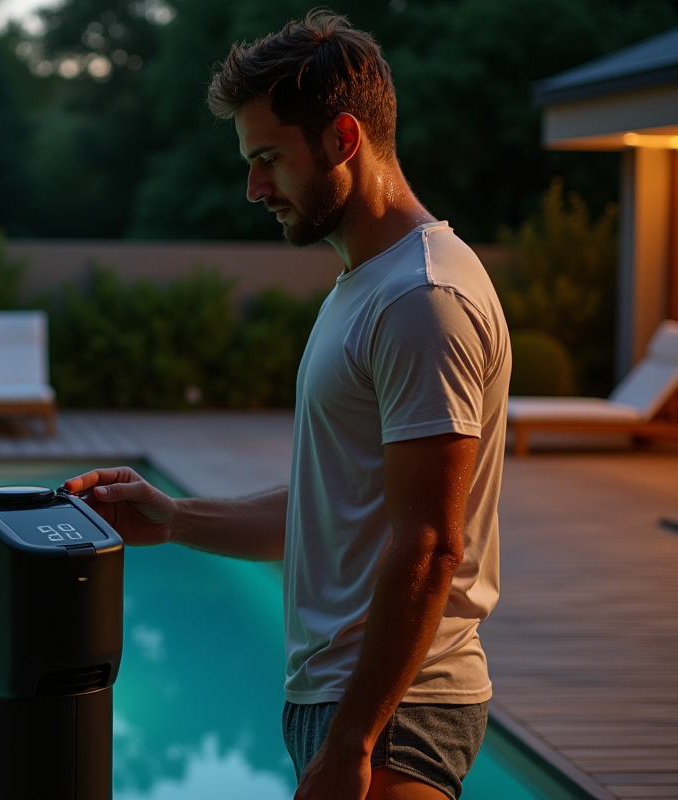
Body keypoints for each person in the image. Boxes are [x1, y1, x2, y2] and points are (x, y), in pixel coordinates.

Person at [63, 10, 511, 800]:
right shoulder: (364, 286)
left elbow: (432, 545)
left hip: (396, 709)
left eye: (268, 158)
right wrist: (172, 519)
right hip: (346, 702)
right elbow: (331, 514)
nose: (253, 187)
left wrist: (353, 742)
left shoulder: (422, 297)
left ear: (343, 138)